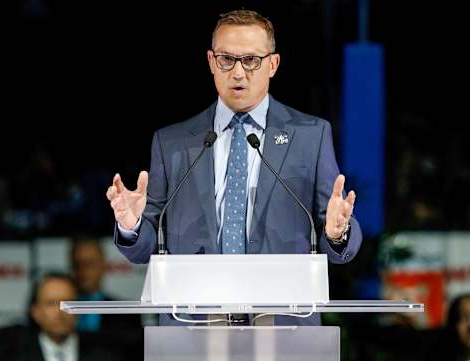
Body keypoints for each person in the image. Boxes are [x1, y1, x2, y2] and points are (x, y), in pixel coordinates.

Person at [106, 9, 362, 326]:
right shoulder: (172, 143)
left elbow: (336, 241)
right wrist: (131, 226)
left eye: (252, 60)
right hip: (193, 325)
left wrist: (338, 233)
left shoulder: (310, 136)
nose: (239, 73)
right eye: (227, 59)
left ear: (273, 64)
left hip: (283, 324)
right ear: (212, 62)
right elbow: (146, 248)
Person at [0, 272, 124, 361]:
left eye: (68, 302)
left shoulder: (104, 356)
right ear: (35, 312)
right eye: (51, 303)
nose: (61, 311)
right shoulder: (12, 357)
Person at [70, 236, 143, 358]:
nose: (83, 271)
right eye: (78, 264)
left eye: (90, 264)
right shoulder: (58, 311)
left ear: (103, 265)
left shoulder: (127, 314)